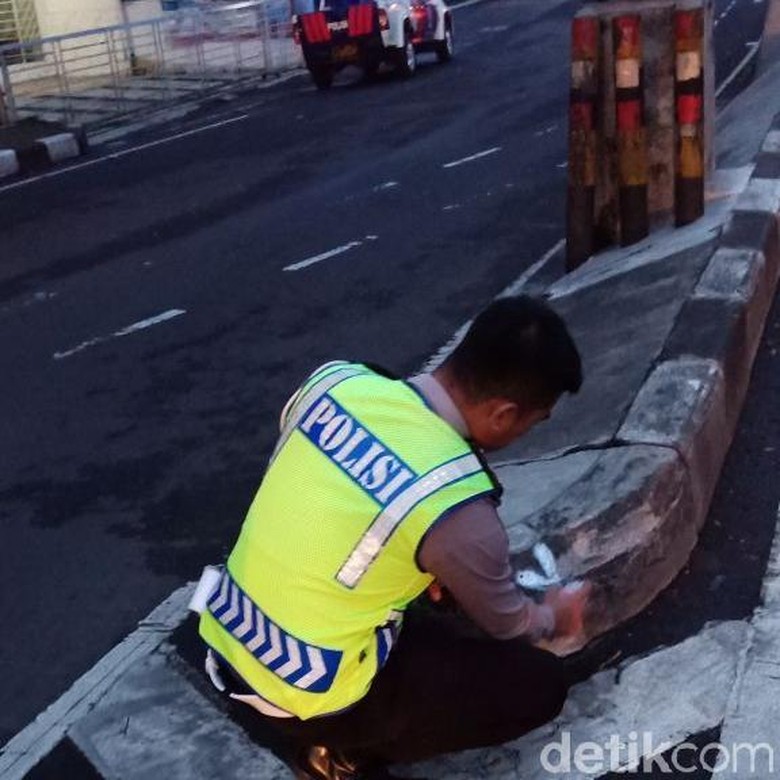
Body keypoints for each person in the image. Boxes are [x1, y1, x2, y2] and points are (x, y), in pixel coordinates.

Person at [197, 294, 589, 780]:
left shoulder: (335, 381)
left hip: (227, 641)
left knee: (438, 596)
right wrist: (556, 614)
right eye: (536, 419)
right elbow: (511, 626)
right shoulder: (456, 504)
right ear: (504, 414)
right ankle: (340, 756)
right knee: (538, 683)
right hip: (310, 695)